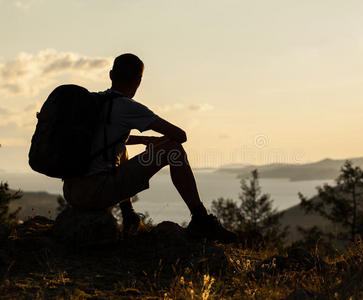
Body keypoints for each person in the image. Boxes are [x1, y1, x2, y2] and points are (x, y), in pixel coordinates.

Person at [62, 53, 236, 243]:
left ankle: (129, 215)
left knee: (122, 150)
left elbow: (108, 141)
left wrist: (146, 141)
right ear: (138, 81)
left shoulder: (95, 102)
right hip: (97, 193)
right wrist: (160, 143)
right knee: (174, 150)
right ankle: (200, 218)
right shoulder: (127, 106)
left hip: (72, 192)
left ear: (111, 75)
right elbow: (180, 135)